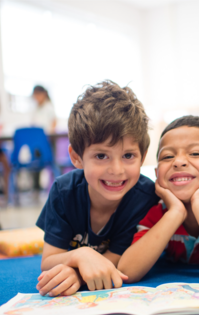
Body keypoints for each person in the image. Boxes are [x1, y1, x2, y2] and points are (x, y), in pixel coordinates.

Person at [35, 81, 159, 297]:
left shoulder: (144, 196)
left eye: (128, 156)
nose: (117, 170)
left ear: (143, 155)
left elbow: (119, 260)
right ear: (76, 157)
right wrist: (80, 256)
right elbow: (48, 261)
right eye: (101, 156)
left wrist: (78, 274)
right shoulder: (64, 191)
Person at [118, 116, 199, 282]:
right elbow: (127, 272)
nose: (179, 162)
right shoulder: (155, 209)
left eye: (195, 153)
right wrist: (175, 212)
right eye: (167, 157)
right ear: (157, 174)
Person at [31, 85, 57, 191]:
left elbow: (53, 123)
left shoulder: (49, 107)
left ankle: (53, 186)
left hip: (48, 140)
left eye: (38, 94)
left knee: (51, 164)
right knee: (35, 164)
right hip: (37, 141)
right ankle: (36, 188)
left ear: (44, 94)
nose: (36, 97)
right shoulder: (35, 109)